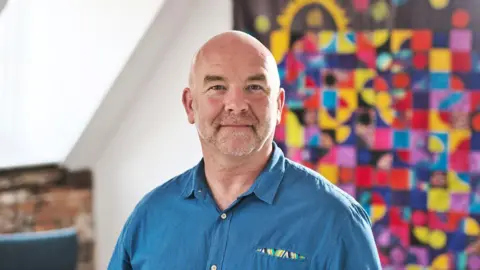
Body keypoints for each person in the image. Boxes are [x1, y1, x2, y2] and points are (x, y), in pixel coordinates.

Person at [107, 30, 381, 269]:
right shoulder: (149, 217)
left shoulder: (337, 221)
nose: (236, 104)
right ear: (190, 105)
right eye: (217, 87)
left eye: (254, 87)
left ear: (278, 105)